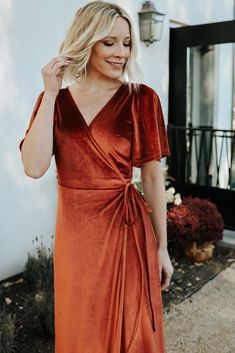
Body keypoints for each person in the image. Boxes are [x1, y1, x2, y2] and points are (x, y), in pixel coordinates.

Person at [19, 1, 174, 352]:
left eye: (127, 43)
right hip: (77, 241)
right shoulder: (54, 102)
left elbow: (151, 177)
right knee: (81, 329)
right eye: (110, 42)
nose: (121, 53)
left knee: (130, 333)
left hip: (128, 234)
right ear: (86, 41)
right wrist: (50, 93)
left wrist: (162, 248)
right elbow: (33, 167)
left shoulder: (142, 99)